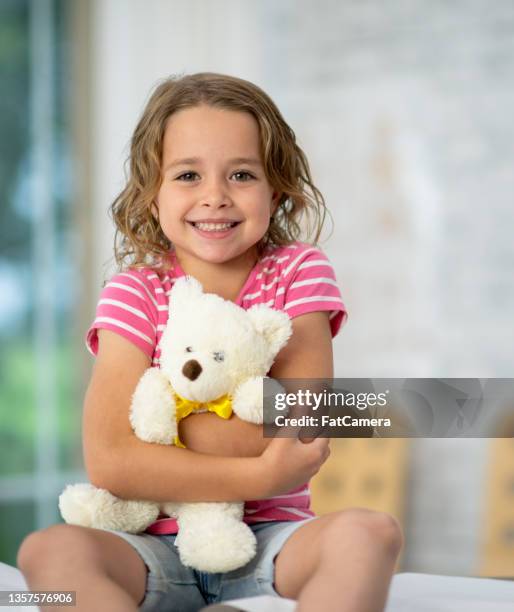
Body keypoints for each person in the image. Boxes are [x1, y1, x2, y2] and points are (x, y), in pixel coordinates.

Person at [17, 73, 402, 612]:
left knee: (370, 533)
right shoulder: (135, 293)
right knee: (51, 548)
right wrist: (262, 473)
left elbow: (301, 422)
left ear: (278, 190)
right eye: (188, 175)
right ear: (151, 197)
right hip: (149, 544)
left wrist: (159, 438)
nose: (215, 197)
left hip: (272, 539)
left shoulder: (298, 272)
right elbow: (109, 461)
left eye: (241, 174)